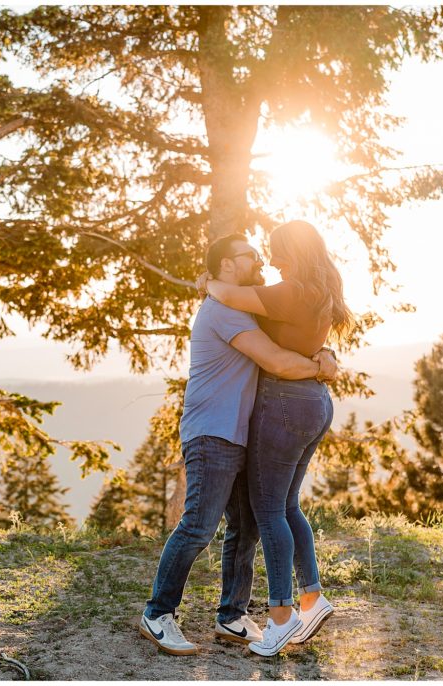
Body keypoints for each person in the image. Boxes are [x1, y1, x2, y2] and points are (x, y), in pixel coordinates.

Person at [139, 233, 338, 656]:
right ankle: (158, 613)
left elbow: (290, 333)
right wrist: (320, 367)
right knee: (198, 525)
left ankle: (231, 616)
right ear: (227, 265)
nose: (260, 259)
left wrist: (324, 349)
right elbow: (278, 360)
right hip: (213, 431)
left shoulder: (240, 303)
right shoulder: (224, 309)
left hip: (239, 432)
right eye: (249, 254)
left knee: (245, 528)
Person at [200, 220, 351, 657]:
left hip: (284, 403)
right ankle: (312, 596)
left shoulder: (290, 291)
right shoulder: (321, 290)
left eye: (273, 249)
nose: (269, 258)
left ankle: (281, 618)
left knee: (267, 509)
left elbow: (226, 294)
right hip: (315, 402)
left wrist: (209, 279)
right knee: (286, 506)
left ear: (291, 250)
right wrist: (325, 362)